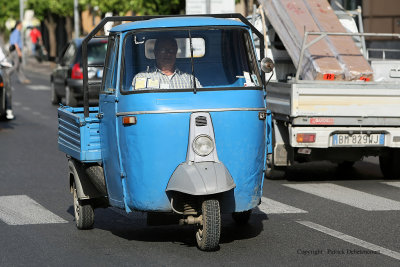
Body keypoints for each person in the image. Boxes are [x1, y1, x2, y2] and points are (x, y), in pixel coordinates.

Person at [132, 37, 201, 90]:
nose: (168, 54)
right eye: (163, 50)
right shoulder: (141, 77)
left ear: (175, 53)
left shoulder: (190, 80)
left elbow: (202, 100)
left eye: (171, 50)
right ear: (155, 52)